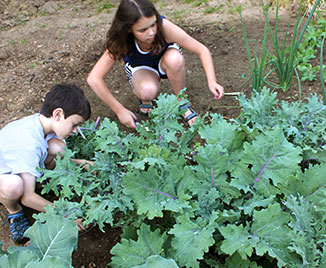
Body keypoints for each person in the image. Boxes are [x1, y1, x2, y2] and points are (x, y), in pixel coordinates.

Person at [87, 0, 224, 129]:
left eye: (153, 24)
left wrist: (212, 82)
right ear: (128, 29)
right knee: (148, 91)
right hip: (141, 68)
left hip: (166, 60)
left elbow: (202, 50)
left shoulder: (164, 28)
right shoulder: (121, 41)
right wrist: (119, 110)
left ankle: (181, 103)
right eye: (142, 30)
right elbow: (93, 78)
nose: (151, 32)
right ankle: (145, 99)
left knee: (175, 59)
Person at [0, 84, 92, 243]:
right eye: (74, 124)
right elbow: (27, 198)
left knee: (59, 148)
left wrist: (81, 163)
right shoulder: (27, 143)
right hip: (6, 177)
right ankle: (14, 211)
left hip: (23, 165)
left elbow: (53, 150)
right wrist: (66, 215)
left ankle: (41, 180)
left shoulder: (42, 123)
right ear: (58, 114)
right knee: (13, 187)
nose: (76, 130)